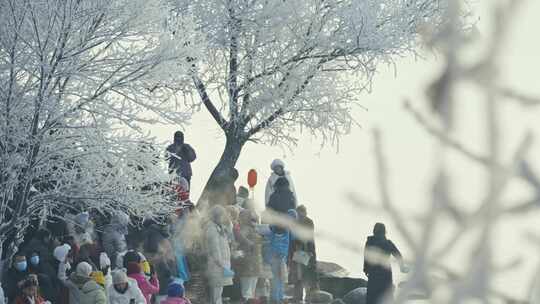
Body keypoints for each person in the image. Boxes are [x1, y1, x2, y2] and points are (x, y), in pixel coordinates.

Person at [363, 223, 406, 304]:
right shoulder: (388, 243)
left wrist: (365, 269)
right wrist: (402, 267)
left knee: (371, 298)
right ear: (384, 232)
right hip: (386, 274)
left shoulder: (370, 242)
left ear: (374, 231)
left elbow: (366, 257)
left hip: (373, 273)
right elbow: (398, 255)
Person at [205, 206, 234, 304]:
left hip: (221, 263)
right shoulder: (212, 229)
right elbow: (215, 248)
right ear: (217, 216)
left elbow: (229, 233)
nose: (224, 218)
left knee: (219, 289)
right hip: (217, 264)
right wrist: (220, 263)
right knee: (216, 291)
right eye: (222, 215)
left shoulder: (219, 227)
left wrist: (229, 222)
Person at [290, 205, 318, 302]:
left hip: (302, 251)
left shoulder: (302, 221)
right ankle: (304, 298)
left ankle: (302, 298)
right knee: (303, 276)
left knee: (301, 276)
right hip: (302, 251)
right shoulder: (306, 221)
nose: (302, 215)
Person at [236, 210, 263, 304]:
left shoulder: (245, 229)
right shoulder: (257, 229)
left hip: (247, 265)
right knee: (251, 292)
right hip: (255, 264)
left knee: (246, 292)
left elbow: (240, 241)